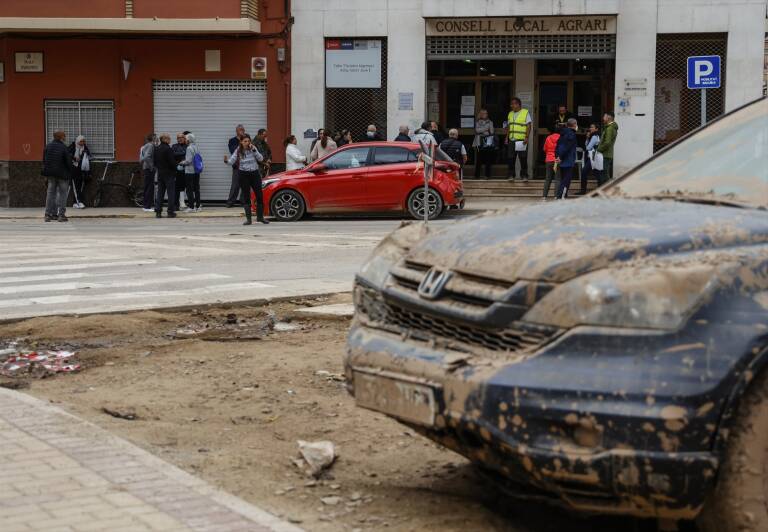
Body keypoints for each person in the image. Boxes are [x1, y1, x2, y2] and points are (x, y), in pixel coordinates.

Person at [227, 134, 269, 226]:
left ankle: (260, 217)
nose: (247, 143)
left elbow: (261, 158)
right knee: (246, 196)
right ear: (241, 142)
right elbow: (232, 160)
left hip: (254, 174)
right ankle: (248, 219)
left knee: (259, 195)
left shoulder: (253, 148)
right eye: (245, 141)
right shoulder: (238, 150)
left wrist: (254, 150)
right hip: (243, 174)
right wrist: (226, 161)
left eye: (248, 141)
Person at [42, 129, 72, 223]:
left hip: (51, 174)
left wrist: (46, 175)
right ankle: (61, 215)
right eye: (64, 136)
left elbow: (44, 161)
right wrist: (70, 172)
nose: (65, 137)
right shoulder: (63, 147)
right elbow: (68, 162)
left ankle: (48, 215)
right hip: (62, 174)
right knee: (62, 194)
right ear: (60, 137)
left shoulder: (48, 146)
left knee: (50, 194)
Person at [506, 97, 532, 182]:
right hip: (512, 139)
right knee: (511, 158)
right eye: (511, 104)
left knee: (523, 158)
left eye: (513, 104)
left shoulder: (525, 112)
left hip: (521, 140)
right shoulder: (510, 113)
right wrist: (507, 137)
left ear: (518, 104)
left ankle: (524, 175)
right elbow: (509, 127)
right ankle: (511, 175)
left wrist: (526, 137)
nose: (511, 106)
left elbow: (528, 126)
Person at [153, 134, 177, 219]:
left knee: (160, 193)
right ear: (164, 139)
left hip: (160, 173)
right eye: (169, 138)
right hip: (169, 174)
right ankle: (170, 212)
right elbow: (172, 162)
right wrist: (175, 169)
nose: (170, 140)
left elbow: (154, 162)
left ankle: (158, 212)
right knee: (171, 193)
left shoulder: (156, 149)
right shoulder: (168, 149)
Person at [555, 118, 578, 199]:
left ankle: (562, 195)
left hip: (562, 160)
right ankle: (561, 196)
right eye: (576, 124)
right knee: (566, 180)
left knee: (563, 179)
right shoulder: (571, 134)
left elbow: (558, 146)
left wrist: (557, 156)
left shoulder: (563, 133)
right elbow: (567, 147)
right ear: (574, 125)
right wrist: (560, 157)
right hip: (568, 160)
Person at [225, 125, 246, 207]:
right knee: (235, 185)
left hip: (246, 165)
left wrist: (244, 140)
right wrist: (241, 141)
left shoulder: (246, 139)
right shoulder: (232, 141)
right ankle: (230, 202)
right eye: (240, 130)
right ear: (236, 131)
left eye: (243, 130)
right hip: (237, 166)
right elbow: (234, 151)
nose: (242, 131)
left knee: (245, 184)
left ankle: (243, 201)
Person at [68, 135, 91, 209]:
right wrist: (74, 158)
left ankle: (76, 202)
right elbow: (67, 155)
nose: (82, 142)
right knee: (75, 186)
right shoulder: (72, 146)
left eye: (84, 141)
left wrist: (85, 153)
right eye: (81, 141)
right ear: (77, 141)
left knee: (80, 186)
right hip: (74, 169)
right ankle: (78, 202)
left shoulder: (85, 148)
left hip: (82, 169)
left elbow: (89, 155)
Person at [180, 133, 202, 212]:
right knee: (196, 189)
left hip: (189, 171)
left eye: (185, 139)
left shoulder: (189, 148)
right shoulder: (196, 147)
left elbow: (188, 161)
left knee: (189, 189)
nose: (185, 140)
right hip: (196, 171)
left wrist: (182, 162)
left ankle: (191, 207)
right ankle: (198, 206)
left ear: (188, 140)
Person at [472, 109, 495, 179]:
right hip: (479, 142)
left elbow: (491, 132)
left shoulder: (490, 122)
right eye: (484, 113)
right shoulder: (477, 122)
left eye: (486, 113)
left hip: (488, 142)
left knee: (488, 159)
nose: (486, 114)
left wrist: (483, 130)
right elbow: (477, 130)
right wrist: (486, 128)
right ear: (481, 114)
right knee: (479, 159)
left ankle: (487, 175)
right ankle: (477, 175)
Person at [597, 112, 618, 181]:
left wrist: (599, 149)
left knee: (604, 174)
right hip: (606, 154)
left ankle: (609, 189)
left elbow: (607, 142)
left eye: (604, 116)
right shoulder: (610, 127)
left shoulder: (609, 129)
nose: (603, 118)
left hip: (605, 154)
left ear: (608, 117)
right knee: (603, 173)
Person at [580, 123, 600, 194]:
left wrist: (588, 139)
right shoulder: (592, 136)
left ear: (596, 129)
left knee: (584, 172)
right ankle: (600, 189)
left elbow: (588, 147)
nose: (590, 128)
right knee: (597, 173)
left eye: (592, 127)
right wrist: (588, 138)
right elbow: (587, 145)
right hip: (591, 157)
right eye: (590, 127)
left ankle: (583, 190)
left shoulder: (594, 136)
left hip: (592, 158)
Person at [541, 125, 561, 200]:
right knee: (558, 179)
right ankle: (556, 196)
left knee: (548, 179)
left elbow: (544, 149)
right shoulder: (561, 138)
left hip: (549, 160)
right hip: (557, 160)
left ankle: (544, 196)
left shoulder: (548, 137)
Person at [171, 133, 188, 211]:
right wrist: (183, 153)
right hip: (176, 169)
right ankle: (175, 205)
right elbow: (172, 155)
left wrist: (178, 154)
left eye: (181, 137)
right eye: (178, 138)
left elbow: (188, 156)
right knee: (176, 187)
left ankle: (182, 203)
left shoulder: (187, 146)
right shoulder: (174, 146)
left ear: (184, 138)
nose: (180, 139)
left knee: (183, 186)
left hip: (186, 169)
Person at [139, 133, 156, 212]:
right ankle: (147, 206)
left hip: (146, 168)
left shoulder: (144, 146)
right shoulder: (151, 145)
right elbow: (146, 157)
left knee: (147, 187)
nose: (157, 139)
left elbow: (141, 158)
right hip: (149, 169)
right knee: (149, 187)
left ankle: (145, 205)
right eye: (155, 137)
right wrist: (151, 166)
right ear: (152, 138)